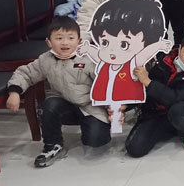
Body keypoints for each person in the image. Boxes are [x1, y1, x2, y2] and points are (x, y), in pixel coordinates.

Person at [6, 16, 109, 168]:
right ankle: (52, 145)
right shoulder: (45, 60)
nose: (65, 43)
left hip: (89, 107)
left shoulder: (89, 59)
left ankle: (92, 126)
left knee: (95, 140)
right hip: (63, 104)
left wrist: (111, 107)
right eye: (59, 38)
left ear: (79, 41)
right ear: (49, 42)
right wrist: (14, 92)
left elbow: (106, 84)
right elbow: (25, 73)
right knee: (48, 106)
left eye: (71, 38)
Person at [124, 30, 184, 157]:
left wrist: (149, 82)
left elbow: (175, 96)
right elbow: (142, 88)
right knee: (134, 148)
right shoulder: (162, 59)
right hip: (156, 112)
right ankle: (167, 128)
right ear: (180, 48)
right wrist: (125, 106)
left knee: (180, 108)